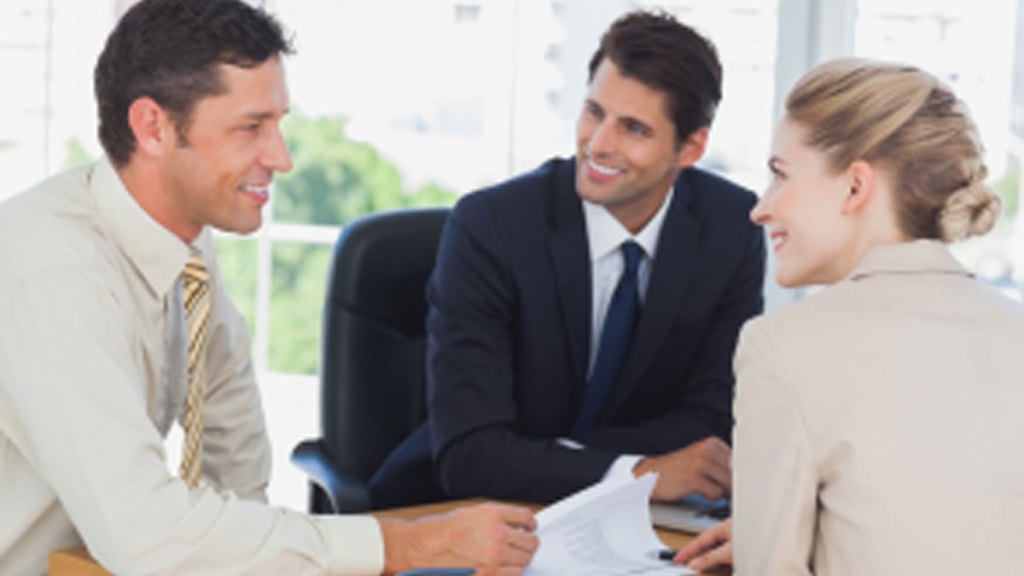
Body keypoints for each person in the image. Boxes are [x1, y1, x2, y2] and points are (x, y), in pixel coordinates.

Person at [0, 1, 538, 574]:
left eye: (279, 124)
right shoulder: (54, 274)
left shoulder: (183, 240)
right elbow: (145, 534)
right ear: (152, 127)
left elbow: (232, 429)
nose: (280, 158)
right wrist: (406, 544)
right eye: (251, 127)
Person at [371, 10, 765, 508]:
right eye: (594, 112)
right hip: (459, 511)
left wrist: (543, 458)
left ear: (690, 148)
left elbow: (708, 423)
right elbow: (471, 454)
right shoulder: (492, 227)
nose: (598, 144)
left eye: (634, 129)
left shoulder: (730, 229)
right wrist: (638, 472)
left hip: (634, 525)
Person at [674, 57, 1024, 574]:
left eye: (779, 175)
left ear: (855, 187)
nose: (759, 208)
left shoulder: (781, 348)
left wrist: (763, 544)